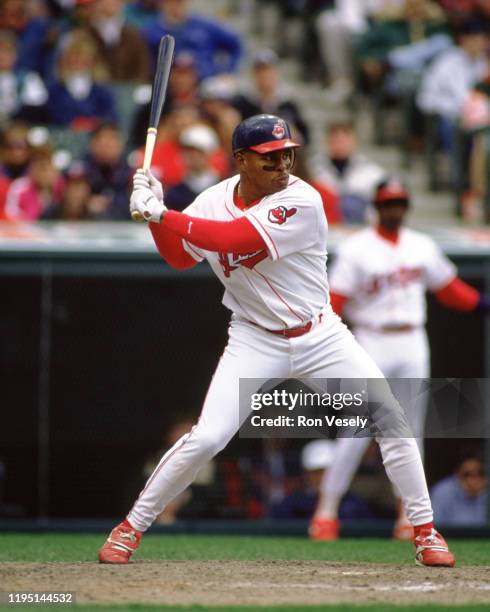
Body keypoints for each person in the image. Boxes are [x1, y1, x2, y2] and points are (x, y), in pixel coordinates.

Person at [98, 114, 455, 568]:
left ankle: (425, 530)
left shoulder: (302, 200)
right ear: (241, 160)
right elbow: (180, 258)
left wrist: (165, 214)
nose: (283, 164)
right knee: (207, 437)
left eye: (287, 153)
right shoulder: (210, 201)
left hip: (320, 335)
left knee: (390, 417)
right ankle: (130, 528)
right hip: (253, 339)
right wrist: (155, 214)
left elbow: (233, 238)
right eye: (270, 157)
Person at [310, 177, 490, 541]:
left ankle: (408, 516)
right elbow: (336, 301)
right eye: (388, 203)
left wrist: (484, 305)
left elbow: (449, 289)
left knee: (409, 432)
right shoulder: (358, 247)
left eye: (400, 203)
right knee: (358, 429)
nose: (395, 209)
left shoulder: (421, 245)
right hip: (371, 339)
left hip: (411, 340)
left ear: (406, 206)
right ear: (377, 206)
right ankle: (326, 512)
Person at [309, 119, 386, 223]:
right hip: (323, 228)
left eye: (344, 140)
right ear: (327, 141)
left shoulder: (372, 173)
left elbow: (378, 207)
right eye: (336, 140)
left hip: (359, 230)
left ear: (354, 141)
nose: (340, 144)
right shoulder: (313, 170)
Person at [143, 0, 243, 80]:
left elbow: (236, 44)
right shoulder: (152, 31)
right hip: (170, 85)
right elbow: (146, 61)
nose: (176, 5)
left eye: (180, 2)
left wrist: (227, 70)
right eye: (171, 1)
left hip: (205, 80)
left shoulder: (205, 26)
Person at [431, 454, 487, 525]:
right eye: (467, 474)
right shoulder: (442, 493)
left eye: (480, 474)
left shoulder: (486, 492)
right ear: (457, 474)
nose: (475, 479)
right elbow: (435, 529)